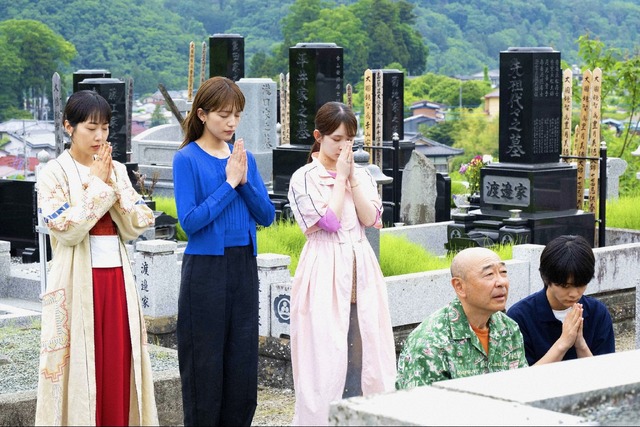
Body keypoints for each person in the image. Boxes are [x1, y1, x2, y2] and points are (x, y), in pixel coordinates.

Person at [35, 90, 158, 426]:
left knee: (117, 364)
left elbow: (138, 223)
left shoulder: (115, 168)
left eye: (104, 128)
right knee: (78, 364)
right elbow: (67, 229)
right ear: (69, 127)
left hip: (116, 280)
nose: (99, 136)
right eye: (91, 128)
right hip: (75, 281)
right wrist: (101, 187)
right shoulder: (53, 173)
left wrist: (111, 185)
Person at [172, 76, 275, 426]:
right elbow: (190, 221)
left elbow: (266, 215)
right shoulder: (186, 159)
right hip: (206, 271)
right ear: (202, 115)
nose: (232, 123)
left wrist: (243, 181)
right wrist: (229, 183)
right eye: (223, 115)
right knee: (204, 366)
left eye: (237, 115)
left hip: (243, 265)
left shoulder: (243, 158)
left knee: (242, 365)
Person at [287, 101, 397, 425]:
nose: (343, 147)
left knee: (368, 351)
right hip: (324, 268)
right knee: (324, 356)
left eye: (349, 139)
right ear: (318, 136)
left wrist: (352, 179)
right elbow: (330, 222)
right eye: (336, 139)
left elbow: (371, 218)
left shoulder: (361, 175)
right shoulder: (304, 178)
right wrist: (339, 180)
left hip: (361, 267)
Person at [396, 247, 528, 389]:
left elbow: (521, 386)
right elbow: (421, 401)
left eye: (503, 272)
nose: (501, 282)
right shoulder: (429, 342)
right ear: (459, 286)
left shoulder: (509, 328)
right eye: (489, 274)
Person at [507, 235, 615, 365]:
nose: (574, 294)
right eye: (565, 286)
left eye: (581, 285)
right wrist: (563, 343)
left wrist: (581, 346)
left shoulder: (597, 313)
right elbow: (520, 376)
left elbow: (605, 372)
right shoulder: (519, 317)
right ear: (546, 278)